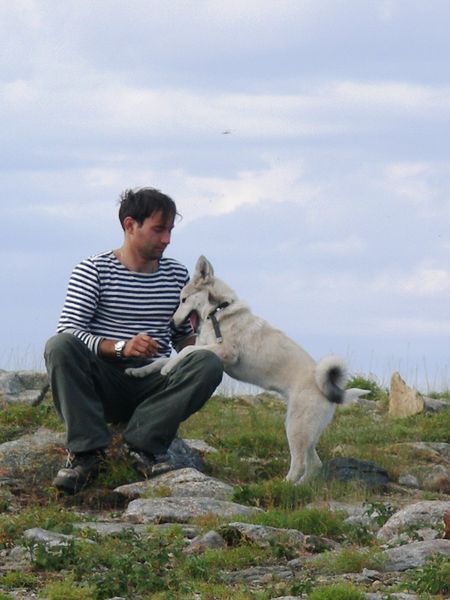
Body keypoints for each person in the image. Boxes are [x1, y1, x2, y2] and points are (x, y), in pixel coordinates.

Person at [44, 187, 224, 494]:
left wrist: (212, 347)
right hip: (104, 382)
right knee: (59, 346)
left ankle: (144, 443)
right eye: (158, 230)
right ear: (130, 225)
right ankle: (86, 455)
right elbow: (70, 330)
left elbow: (184, 336)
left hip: (154, 383)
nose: (166, 239)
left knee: (208, 362)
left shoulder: (175, 274)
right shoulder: (94, 270)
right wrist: (120, 347)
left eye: (170, 230)